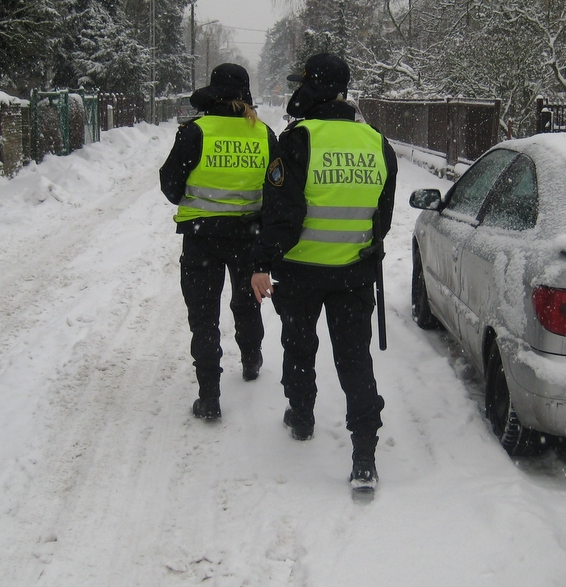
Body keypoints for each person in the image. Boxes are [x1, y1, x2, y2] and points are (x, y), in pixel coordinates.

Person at [250, 53, 398, 491]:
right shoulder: (376, 142)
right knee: (355, 361)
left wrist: (262, 262)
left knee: (299, 347)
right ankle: (365, 455)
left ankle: (301, 417)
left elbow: (281, 214)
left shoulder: (297, 141)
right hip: (353, 275)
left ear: (312, 89)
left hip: (299, 273)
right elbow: (381, 218)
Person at [160, 63, 280, 420]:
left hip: (202, 238)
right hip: (248, 236)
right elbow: (277, 190)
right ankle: (251, 358)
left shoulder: (195, 131)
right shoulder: (264, 134)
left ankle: (209, 396)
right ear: (246, 96)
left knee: (204, 316)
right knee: (246, 303)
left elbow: (170, 185)